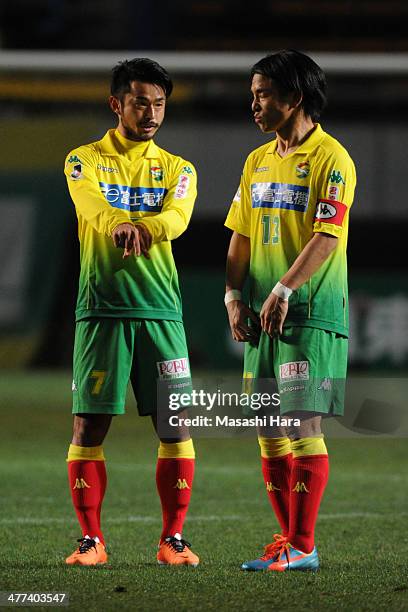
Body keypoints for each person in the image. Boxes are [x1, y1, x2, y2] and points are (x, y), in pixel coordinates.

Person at [63, 58, 199, 567]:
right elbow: (90, 205)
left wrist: (146, 229)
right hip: (101, 311)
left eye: (159, 103)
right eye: (141, 101)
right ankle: (91, 541)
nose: (151, 112)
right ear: (116, 103)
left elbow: (179, 216)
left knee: (176, 425)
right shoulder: (85, 160)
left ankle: (174, 540)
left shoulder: (180, 168)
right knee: (89, 428)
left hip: (162, 312)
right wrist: (119, 221)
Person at [224, 50, 356, 571]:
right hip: (262, 314)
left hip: (309, 311)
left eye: (262, 94)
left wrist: (283, 289)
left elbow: (328, 235)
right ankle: (291, 541)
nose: (252, 103)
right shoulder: (257, 160)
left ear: (294, 98)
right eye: (253, 94)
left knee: (303, 422)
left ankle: (303, 545)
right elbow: (239, 235)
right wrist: (235, 296)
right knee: (267, 426)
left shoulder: (333, 159)